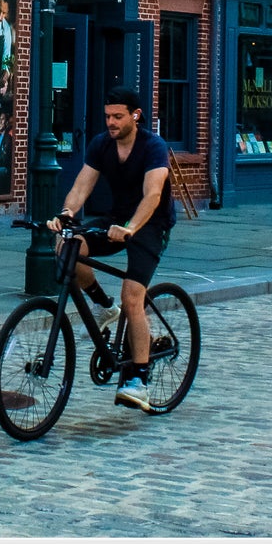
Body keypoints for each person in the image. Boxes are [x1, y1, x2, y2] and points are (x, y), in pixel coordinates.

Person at [47, 85, 175, 411]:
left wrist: (131, 228)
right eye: (107, 116)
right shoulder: (101, 145)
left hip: (150, 225)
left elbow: (152, 195)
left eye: (118, 116)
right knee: (68, 246)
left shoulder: (153, 147)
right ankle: (103, 306)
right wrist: (66, 214)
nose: (111, 123)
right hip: (117, 218)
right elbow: (81, 186)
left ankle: (140, 380)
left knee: (132, 297)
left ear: (136, 115)